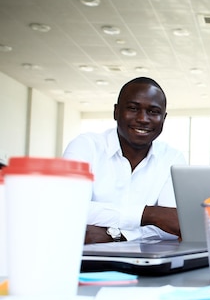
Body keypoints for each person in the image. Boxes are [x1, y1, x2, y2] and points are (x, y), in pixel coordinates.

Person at [63, 77, 186, 244]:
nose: (143, 118)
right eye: (133, 108)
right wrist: (149, 214)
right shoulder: (86, 146)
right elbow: (69, 206)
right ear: (116, 112)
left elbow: (173, 224)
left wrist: (116, 235)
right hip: (84, 258)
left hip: (148, 262)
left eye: (153, 112)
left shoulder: (172, 158)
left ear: (163, 118)